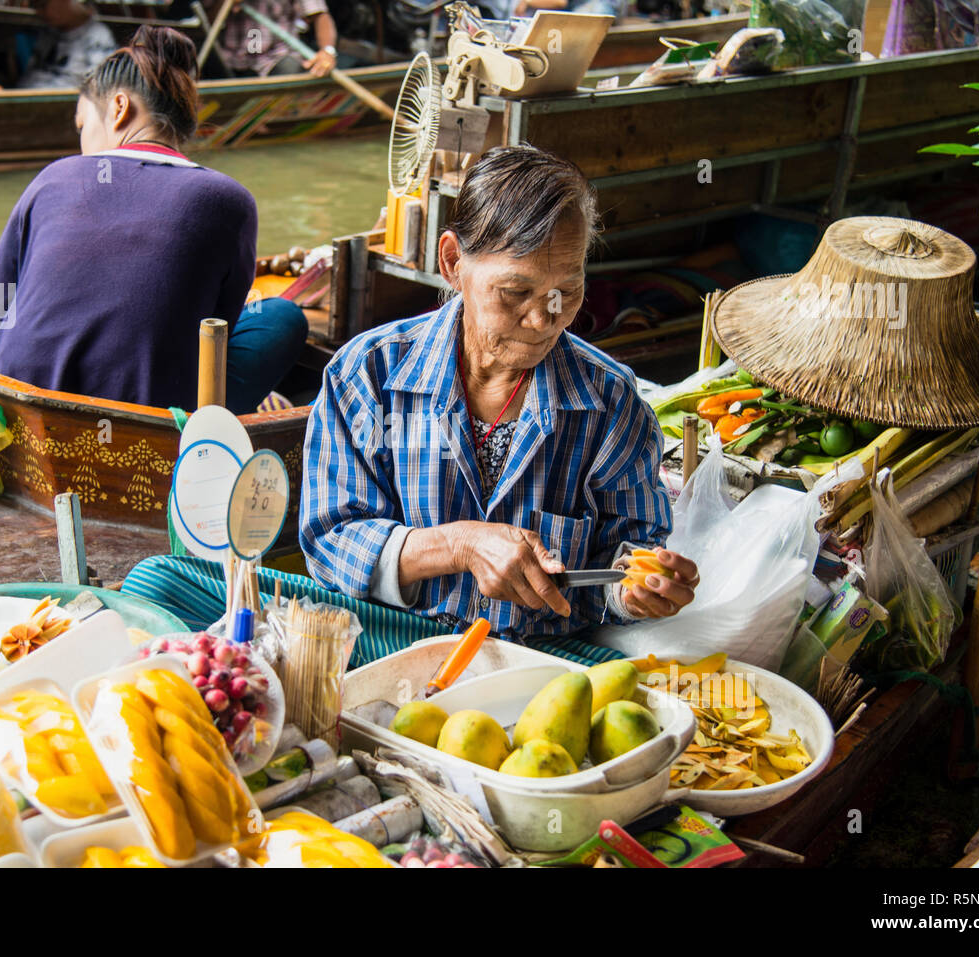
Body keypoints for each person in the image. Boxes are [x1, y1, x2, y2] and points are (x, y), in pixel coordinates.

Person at [122, 146, 698, 669]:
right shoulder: (367, 374)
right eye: (515, 292)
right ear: (453, 263)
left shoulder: (611, 400)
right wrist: (461, 543)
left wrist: (634, 589)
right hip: (391, 636)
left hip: (540, 656)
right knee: (158, 580)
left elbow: (626, 554)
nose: (543, 318)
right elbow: (329, 541)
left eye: (565, 293)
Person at [0, 25, 308, 416]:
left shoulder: (52, 178)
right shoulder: (228, 200)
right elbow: (214, 333)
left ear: (119, 108)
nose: (82, 142)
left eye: (83, 127)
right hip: (148, 428)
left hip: (13, 411)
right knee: (281, 317)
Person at [212, 0, 338, 78]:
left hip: (277, 57)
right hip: (233, 62)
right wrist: (224, 3)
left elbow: (319, 14)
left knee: (291, 73)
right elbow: (206, 19)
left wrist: (327, 51)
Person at [17, 0, 116, 89]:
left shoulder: (97, 35)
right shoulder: (48, 33)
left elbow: (102, 86)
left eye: (43, 5)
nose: (39, 12)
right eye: (35, 7)